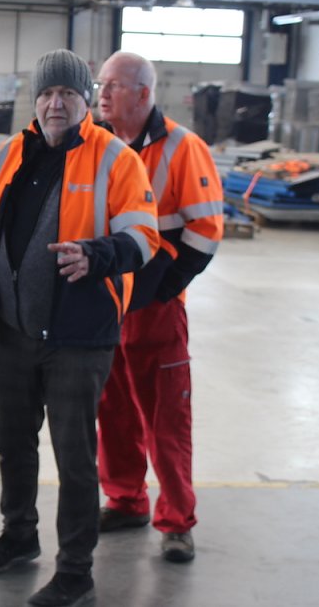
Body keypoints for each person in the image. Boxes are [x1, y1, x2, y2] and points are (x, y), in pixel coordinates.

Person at [0, 48, 159, 607]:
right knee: (13, 442)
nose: (55, 104)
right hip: (16, 331)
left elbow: (144, 238)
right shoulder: (11, 153)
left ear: (85, 100)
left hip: (78, 335)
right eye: (47, 93)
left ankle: (75, 570)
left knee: (74, 458)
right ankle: (19, 535)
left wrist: (96, 255)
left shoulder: (115, 158)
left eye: (68, 93)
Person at [93, 51, 224, 563]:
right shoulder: (97, 144)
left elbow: (206, 229)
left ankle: (176, 520)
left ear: (144, 93)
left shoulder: (183, 147)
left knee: (166, 416)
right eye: (101, 85)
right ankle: (126, 500)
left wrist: (164, 289)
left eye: (114, 86)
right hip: (106, 303)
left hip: (157, 310)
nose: (103, 94)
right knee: (113, 410)